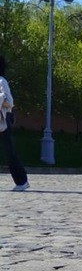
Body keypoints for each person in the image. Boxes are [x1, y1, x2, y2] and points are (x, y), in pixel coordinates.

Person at [0, 56, 29, 192]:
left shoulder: (1, 81)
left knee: (10, 151)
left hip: (4, 118)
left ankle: (22, 181)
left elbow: (10, 102)